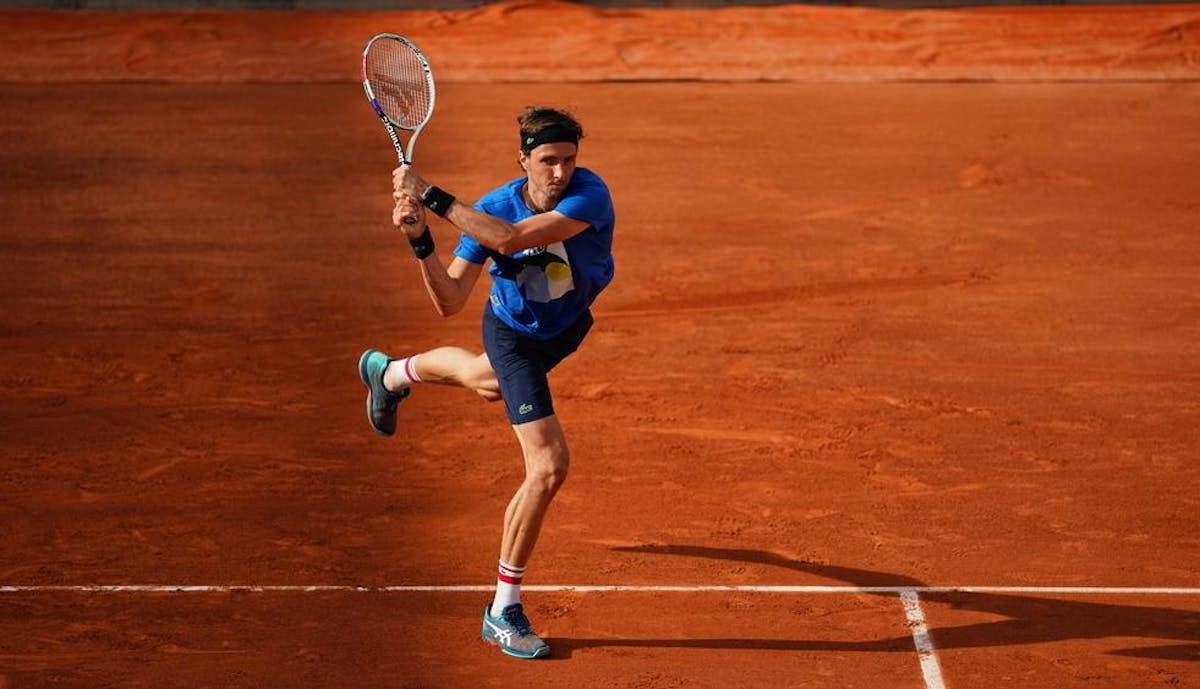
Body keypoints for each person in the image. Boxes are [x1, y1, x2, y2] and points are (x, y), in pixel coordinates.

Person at [357, 106, 615, 659]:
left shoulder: (590, 196)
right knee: (548, 467)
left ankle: (391, 373)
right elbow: (449, 300)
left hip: (566, 327)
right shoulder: (491, 207)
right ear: (523, 159)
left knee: (481, 379)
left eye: (569, 159)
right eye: (547, 161)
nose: (559, 172)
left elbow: (513, 239)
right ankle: (503, 610)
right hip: (515, 334)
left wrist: (431, 197)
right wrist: (421, 241)